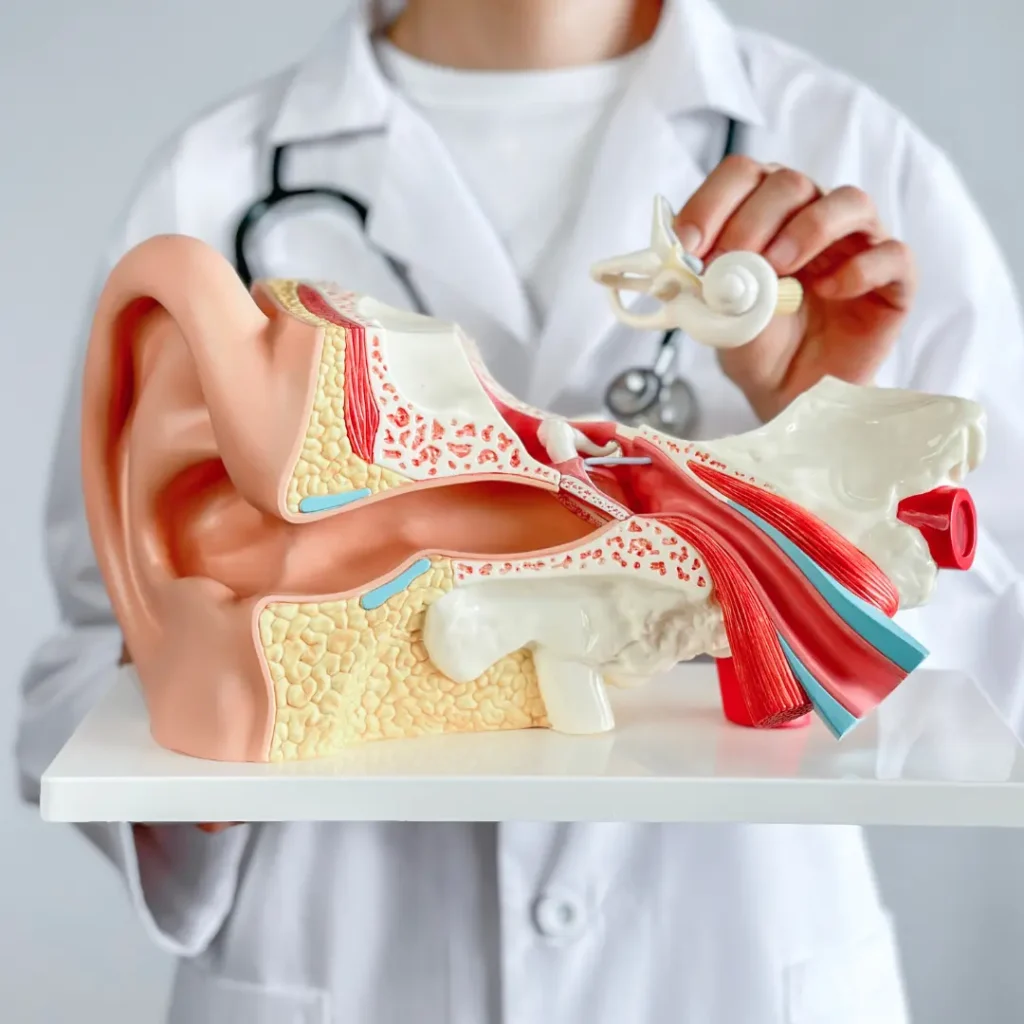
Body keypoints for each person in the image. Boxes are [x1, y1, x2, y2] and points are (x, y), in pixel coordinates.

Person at [15, 0, 1024, 1021]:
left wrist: (805, 483)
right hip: (351, 964)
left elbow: (991, 666)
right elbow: (84, 667)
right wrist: (223, 738)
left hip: (730, 966)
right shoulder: (211, 177)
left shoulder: (854, 158)